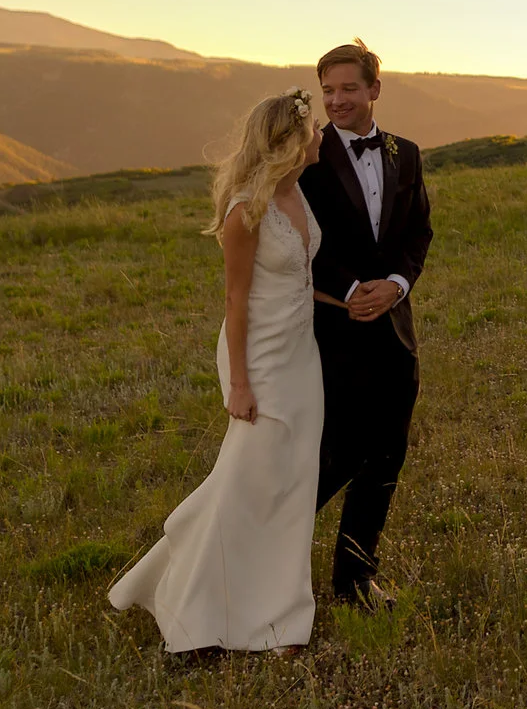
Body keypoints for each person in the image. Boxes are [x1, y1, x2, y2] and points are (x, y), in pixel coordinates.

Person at [108, 91, 332, 652]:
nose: (323, 136)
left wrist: (344, 302)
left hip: (303, 357)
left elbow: (298, 276)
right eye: (315, 128)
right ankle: (194, 606)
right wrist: (239, 382)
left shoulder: (300, 193)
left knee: (294, 481)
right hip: (258, 360)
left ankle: (281, 612)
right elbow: (236, 301)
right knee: (247, 479)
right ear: (291, 141)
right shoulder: (245, 210)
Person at [299, 41, 433, 609]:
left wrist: (397, 285)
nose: (336, 101)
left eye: (349, 89)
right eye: (328, 91)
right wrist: (353, 290)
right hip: (334, 330)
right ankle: (261, 548)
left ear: (375, 89)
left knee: (386, 456)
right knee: (337, 454)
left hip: (395, 333)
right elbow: (298, 237)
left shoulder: (407, 153)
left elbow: (417, 234)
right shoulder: (304, 156)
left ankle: (355, 580)